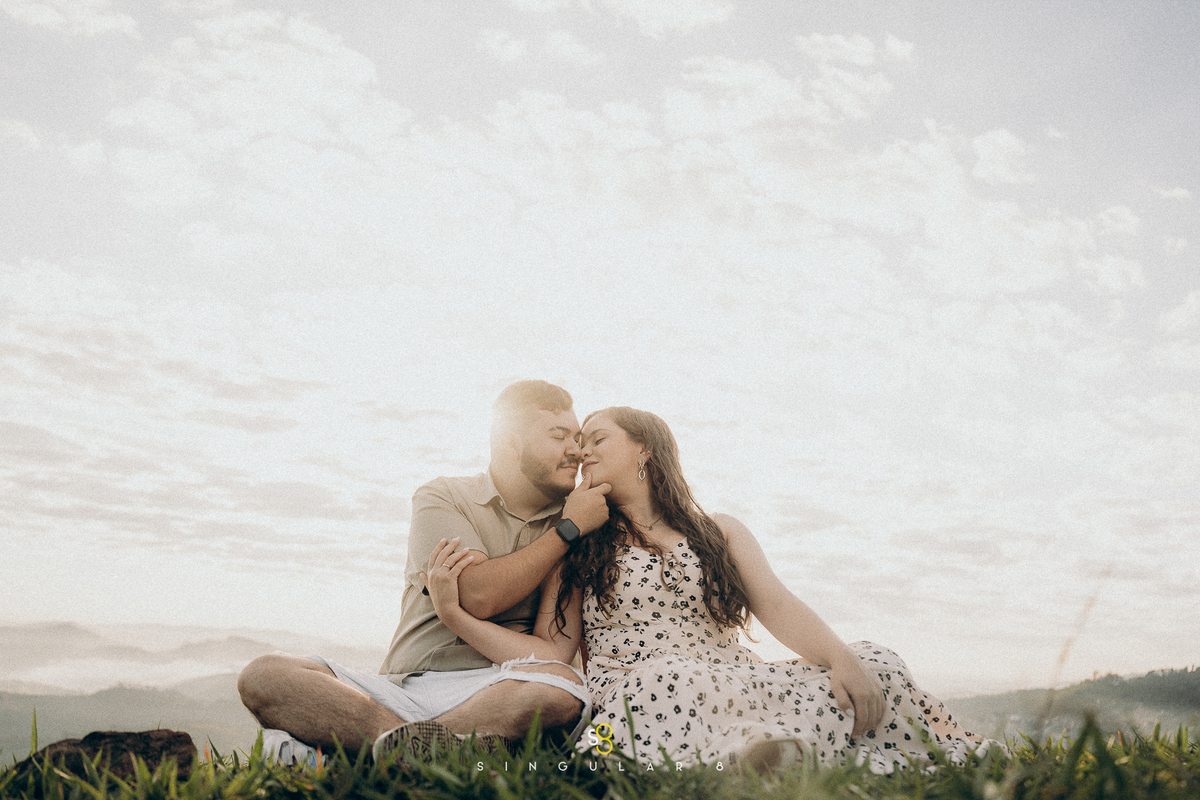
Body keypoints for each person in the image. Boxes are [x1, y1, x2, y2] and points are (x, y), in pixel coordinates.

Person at [423, 406, 984, 772]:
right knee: (673, 678)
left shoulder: (719, 531)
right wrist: (458, 618)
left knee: (874, 659)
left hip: (732, 676)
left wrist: (839, 657)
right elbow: (553, 656)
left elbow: (779, 606)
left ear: (645, 449)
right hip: (644, 688)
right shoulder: (575, 546)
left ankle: (780, 756)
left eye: (596, 440)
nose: (581, 453)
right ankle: (756, 763)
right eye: (577, 444)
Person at [237, 380, 613, 761]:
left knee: (561, 691)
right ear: (510, 445)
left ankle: (378, 751)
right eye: (558, 435)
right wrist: (565, 532)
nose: (575, 450)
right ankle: (411, 744)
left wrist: (572, 524)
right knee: (264, 675)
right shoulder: (444, 496)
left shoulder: (583, 515)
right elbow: (478, 595)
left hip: (501, 690)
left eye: (576, 437)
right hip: (403, 688)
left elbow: (551, 651)